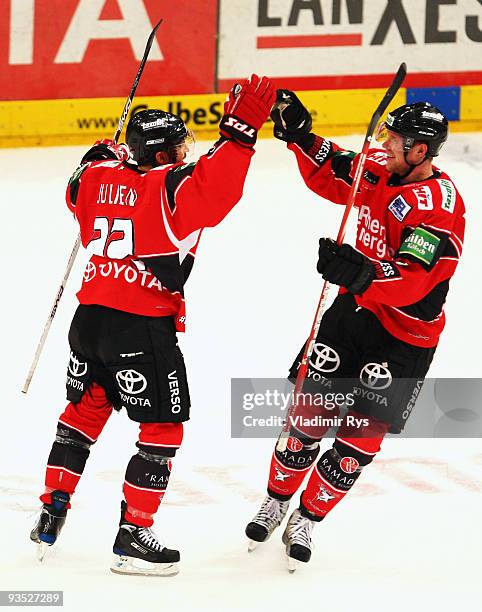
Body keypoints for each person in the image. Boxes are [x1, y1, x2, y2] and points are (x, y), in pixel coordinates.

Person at [30, 74, 275, 576]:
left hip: (89, 320)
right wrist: (242, 128)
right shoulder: (170, 188)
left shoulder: (98, 177)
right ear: (162, 156)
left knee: (84, 411)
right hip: (140, 327)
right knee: (162, 426)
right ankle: (132, 536)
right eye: (179, 147)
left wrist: (100, 152)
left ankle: (51, 511)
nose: (186, 152)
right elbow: (220, 188)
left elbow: (77, 184)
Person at [245, 94, 465, 571]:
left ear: (421, 152)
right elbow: (338, 169)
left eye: (395, 139)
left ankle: (306, 517)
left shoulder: (436, 208)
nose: (384, 143)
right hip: (353, 316)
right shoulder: (384, 169)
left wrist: (360, 272)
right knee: (306, 417)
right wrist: (302, 137)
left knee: (357, 442)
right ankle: (277, 499)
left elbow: (413, 281)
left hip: (405, 336)